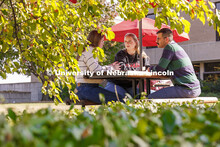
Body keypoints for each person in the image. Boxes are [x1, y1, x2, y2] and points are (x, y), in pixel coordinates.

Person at [148, 28, 201, 98]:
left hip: (186, 89)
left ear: (166, 39)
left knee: (151, 97)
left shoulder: (169, 47)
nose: (156, 41)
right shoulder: (176, 47)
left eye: (158, 38)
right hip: (195, 89)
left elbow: (159, 69)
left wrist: (149, 68)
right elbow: (165, 69)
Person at [76, 30, 124, 104]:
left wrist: (109, 67)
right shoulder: (90, 51)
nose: (103, 43)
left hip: (84, 88)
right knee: (119, 99)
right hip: (86, 89)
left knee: (118, 98)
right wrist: (112, 68)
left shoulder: (88, 50)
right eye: (102, 41)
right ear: (96, 41)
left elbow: (95, 68)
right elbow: (97, 71)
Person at [105, 33, 150, 98]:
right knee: (121, 97)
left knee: (141, 97)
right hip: (117, 83)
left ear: (136, 42)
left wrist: (141, 70)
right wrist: (139, 70)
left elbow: (147, 70)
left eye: (130, 41)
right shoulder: (121, 54)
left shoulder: (142, 56)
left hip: (131, 85)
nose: (127, 43)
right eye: (125, 41)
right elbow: (122, 68)